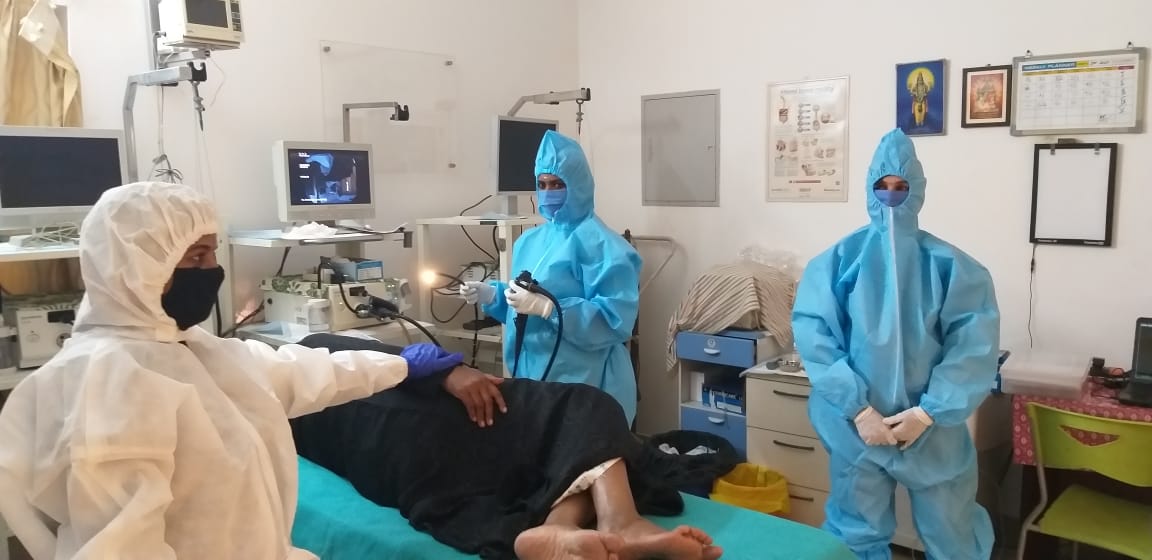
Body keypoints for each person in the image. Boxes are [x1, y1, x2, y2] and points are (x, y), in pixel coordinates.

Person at [0, 182, 498, 560]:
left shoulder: (190, 349)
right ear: (136, 268)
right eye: (196, 256)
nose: (212, 271)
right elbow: (120, 548)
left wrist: (400, 364)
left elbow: (296, 371)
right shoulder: (109, 386)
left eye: (214, 253)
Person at [291, 333, 723, 560]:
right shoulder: (296, 362)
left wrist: (444, 372)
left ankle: (561, 528)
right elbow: (365, 351)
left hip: (408, 453)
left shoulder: (276, 421)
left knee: (537, 454)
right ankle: (616, 519)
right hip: (423, 424)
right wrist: (446, 370)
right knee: (579, 407)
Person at [791, 129, 1000, 560]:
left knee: (951, 531)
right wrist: (858, 409)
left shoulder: (955, 268)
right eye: (882, 185)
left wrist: (928, 412)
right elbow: (816, 337)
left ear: (917, 190)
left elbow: (973, 347)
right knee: (856, 533)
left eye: (901, 186)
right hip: (857, 429)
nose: (890, 195)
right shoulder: (837, 262)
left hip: (932, 430)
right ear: (869, 188)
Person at [460, 130, 643, 425]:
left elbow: (614, 322)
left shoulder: (607, 248)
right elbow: (525, 310)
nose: (548, 192)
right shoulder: (529, 241)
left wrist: (550, 308)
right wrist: (494, 295)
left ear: (578, 184)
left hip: (588, 386)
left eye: (557, 184)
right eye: (542, 184)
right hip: (534, 381)